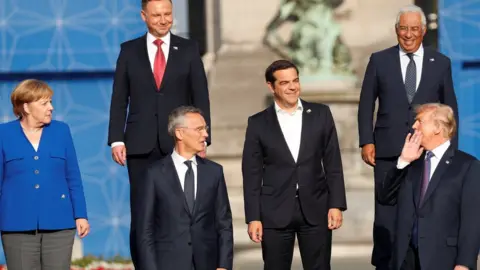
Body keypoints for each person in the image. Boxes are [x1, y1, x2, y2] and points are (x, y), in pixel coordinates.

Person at [107, 0, 211, 264]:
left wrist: (201, 137)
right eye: (156, 15)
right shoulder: (129, 51)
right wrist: (116, 139)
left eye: (168, 14)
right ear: (144, 16)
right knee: (143, 213)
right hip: (140, 145)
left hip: (180, 144)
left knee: (178, 211)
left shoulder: (188, 49)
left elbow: (201, 96)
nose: (163, 20)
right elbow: (119, 98)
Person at [357, 5, 458, 269]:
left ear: (423, 31)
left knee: (427, 206)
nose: (408, 34)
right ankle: (385, 262)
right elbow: (366, 103)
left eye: (414, 29)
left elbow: (450, 110)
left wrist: (450, 152)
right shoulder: (379, 60)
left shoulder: (440, 63)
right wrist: (366, 140)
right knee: (387, 210)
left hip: (428, 150)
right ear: (396, 30)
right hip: (388, 151)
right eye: (404, 28)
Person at [242, 60, 347, 270]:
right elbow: (252, 174)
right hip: (274, 211)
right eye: (285, 83)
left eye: (296, 81)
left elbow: (333, 162)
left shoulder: (321, 114)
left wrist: (336, 204)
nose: (293, 87)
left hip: (316, 208)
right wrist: (253, 217)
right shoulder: (258, 123)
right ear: (271, 86)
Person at [0, 79, 90, 269]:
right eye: (44, 103)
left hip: (59, 223)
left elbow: (73, 177)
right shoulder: (4, 134)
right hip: (17, 224)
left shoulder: (61, 131)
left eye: (50, 102)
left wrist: (80, 215)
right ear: (26, 106)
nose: (51, 107)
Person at [378, 103, 480, 270]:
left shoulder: (467, 166)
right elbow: (385, 197)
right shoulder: (411, 163)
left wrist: (464, 263)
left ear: (437, 128)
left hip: (443, 259)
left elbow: (473, 221)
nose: (414, 126)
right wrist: (403, 162)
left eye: (420, 121)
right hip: (406, 260)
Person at [134, 106, 232, 270]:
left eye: (205, 129)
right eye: (199, 129)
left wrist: (224, 265)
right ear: (179, 133)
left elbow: (224, 224)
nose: (206, 135)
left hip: (207, 263)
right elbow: (145, 230)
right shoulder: (154, 174)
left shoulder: (214, 172)